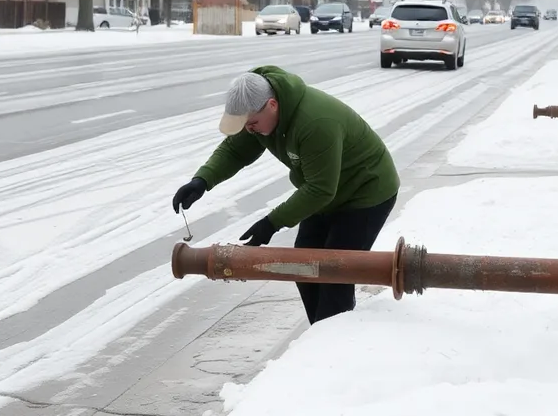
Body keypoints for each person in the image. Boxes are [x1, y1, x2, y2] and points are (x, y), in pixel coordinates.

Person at [171, 65, 400, 324]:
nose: (250, 130)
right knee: (304, 267)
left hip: (366, 193)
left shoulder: (316, 123)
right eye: (245, 125)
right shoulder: (259, 119)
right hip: (326, 193)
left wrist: (272, 222)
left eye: (252, 123)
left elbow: (320, 189)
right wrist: (202, 180)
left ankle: (334, 348)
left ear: (272, 105)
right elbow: (235, 151)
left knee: (336, 272)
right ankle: (320, 334)